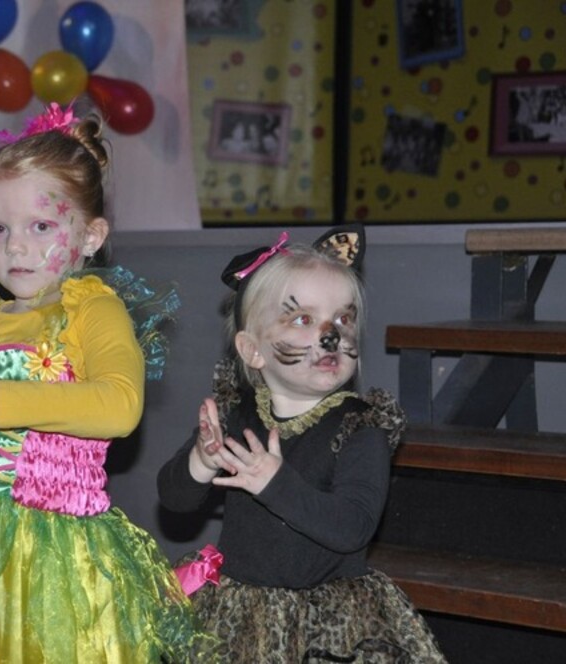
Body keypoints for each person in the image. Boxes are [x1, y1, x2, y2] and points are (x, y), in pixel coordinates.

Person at [0, 103, 209, 663]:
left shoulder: (91, 309)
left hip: (54, 555)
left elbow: (120, 405)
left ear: (90, 236)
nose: (15, 246)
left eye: (40, 226)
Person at [157, 226, 446, 662]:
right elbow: (174, 499)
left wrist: (275, 484)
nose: (331, 334)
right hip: (240, 617)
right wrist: (201, 459)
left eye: (343, 319)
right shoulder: (237, 415)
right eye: (302, 319)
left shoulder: (360, 429)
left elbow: (353, 527)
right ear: (252, 350)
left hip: (327, 627)